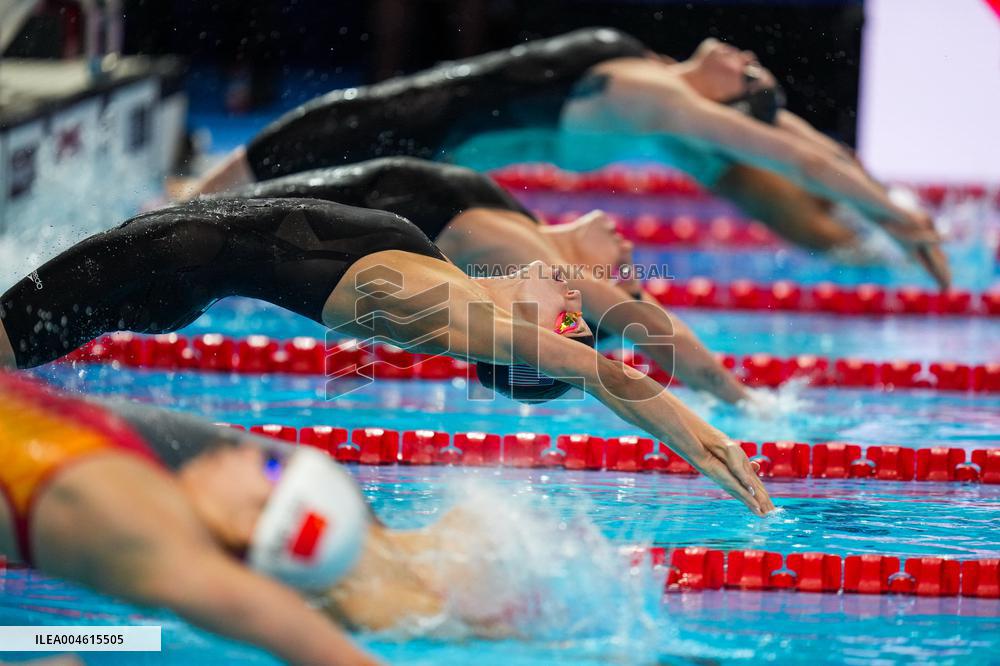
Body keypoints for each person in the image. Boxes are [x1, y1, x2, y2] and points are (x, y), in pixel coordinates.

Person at [0, 197, 773, 515]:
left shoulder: (469, 320)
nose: (571, 295)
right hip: (167, 260)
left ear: (534, 345)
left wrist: (701, 437)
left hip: (156, 262)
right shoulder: (448, 279)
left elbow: (600, 373)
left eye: (567, 318)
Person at [185, 27, 950, 289]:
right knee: (182, 222)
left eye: (748, 74)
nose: (743, 54)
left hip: (358, 143)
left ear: (725, 104)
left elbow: (795, 155)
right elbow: (798, 136)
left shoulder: (664, 103)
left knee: (186, 228)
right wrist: (890, 205)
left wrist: (892, 216)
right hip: (354, 126)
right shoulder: (651, 71)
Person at [217, 156, 750, 403]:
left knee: (195, 213)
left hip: (295, 209)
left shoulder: (526, 256)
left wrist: (739, 399)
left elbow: (649, 327)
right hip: (335, 180)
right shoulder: (529, 237)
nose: (630, 252)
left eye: (622, 279)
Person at [0, 370, 379, 666]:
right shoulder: (153, 493)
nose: (247, 449)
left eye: (271, 466)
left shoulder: (150, 538)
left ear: (251, 525)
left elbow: (297, 632)